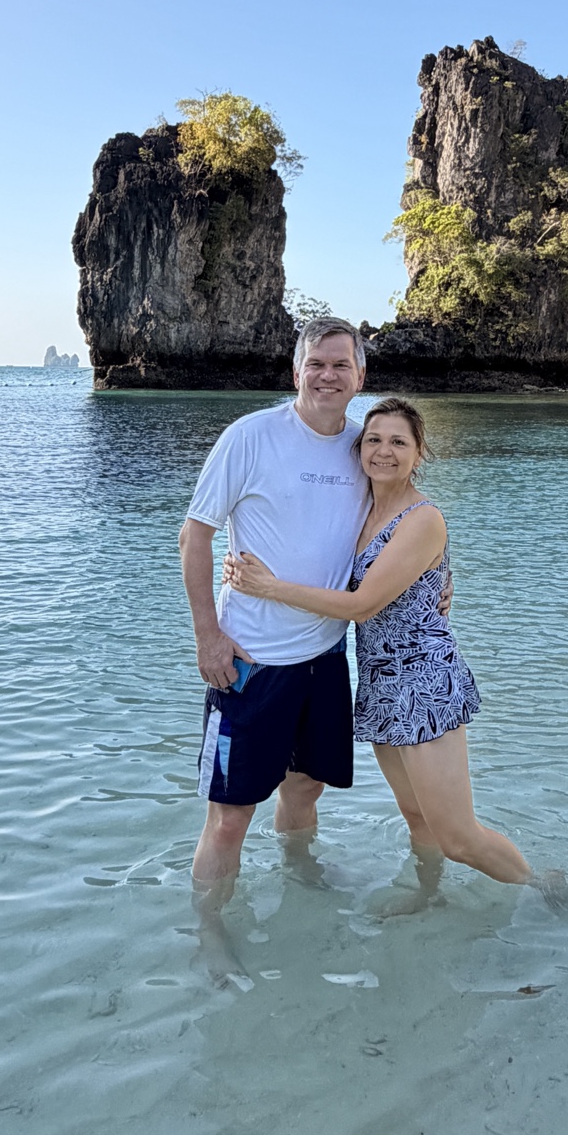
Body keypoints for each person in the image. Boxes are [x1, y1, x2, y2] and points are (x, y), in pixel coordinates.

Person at [226, 397, 568, 905]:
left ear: (418, 453)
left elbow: (362, 604)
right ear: (358, 449)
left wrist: (270, 588)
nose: (383, 451)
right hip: (381, 683)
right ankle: (428, 895)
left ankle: (545, 887)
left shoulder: (421, 518)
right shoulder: (360, 510)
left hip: (424, 683)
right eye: (373, 440)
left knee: (458, 837)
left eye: (398, 442)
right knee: (416, 816)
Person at [179, 317, 372, 900]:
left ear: (360, 376)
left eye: (340, 364)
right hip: (251, 660)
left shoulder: (366, 446)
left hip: (326, 657)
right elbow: (194, 536)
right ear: (296, 373)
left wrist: (441, 576)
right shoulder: (250, 436)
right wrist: (207, 637)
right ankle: (211, 930)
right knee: (230, 815)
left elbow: (405, 519)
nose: (327, 375)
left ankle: (299, 883)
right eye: (316, 364)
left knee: (306, 787)